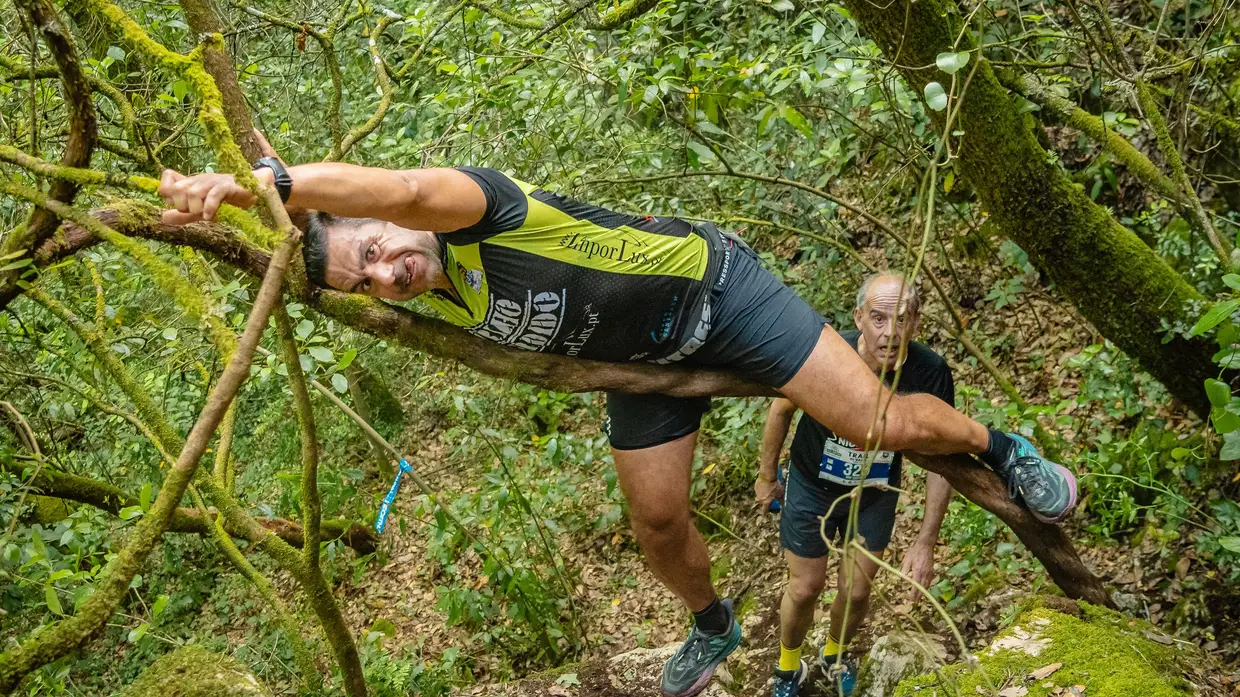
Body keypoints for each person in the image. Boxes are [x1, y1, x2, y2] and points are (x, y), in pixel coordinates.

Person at [157, 149, 1078, 697]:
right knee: (656, 522)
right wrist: (292, 226)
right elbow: (348, 245)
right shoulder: (427, 297)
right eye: (368, 277)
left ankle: (1003, 445)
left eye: (374, 249)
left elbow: (397, 187)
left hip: (721, 293)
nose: (387, 268)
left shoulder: (476, 207)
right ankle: (713, 624)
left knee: (871, 420)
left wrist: (267, 180)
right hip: (643, 367)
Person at [755, 273, 953, 697]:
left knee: (858, 588)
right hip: (811, 484)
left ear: (916, 322)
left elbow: (944, 462)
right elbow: (780, 411)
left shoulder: (929, 372)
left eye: (902, 320)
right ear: (859, 317)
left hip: (874, 494)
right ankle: (788, 667)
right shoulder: (829, 353)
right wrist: (767, 476)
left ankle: (835, 655)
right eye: (878, 319)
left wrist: (925, 542)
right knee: (805, 587)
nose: (890, 333)